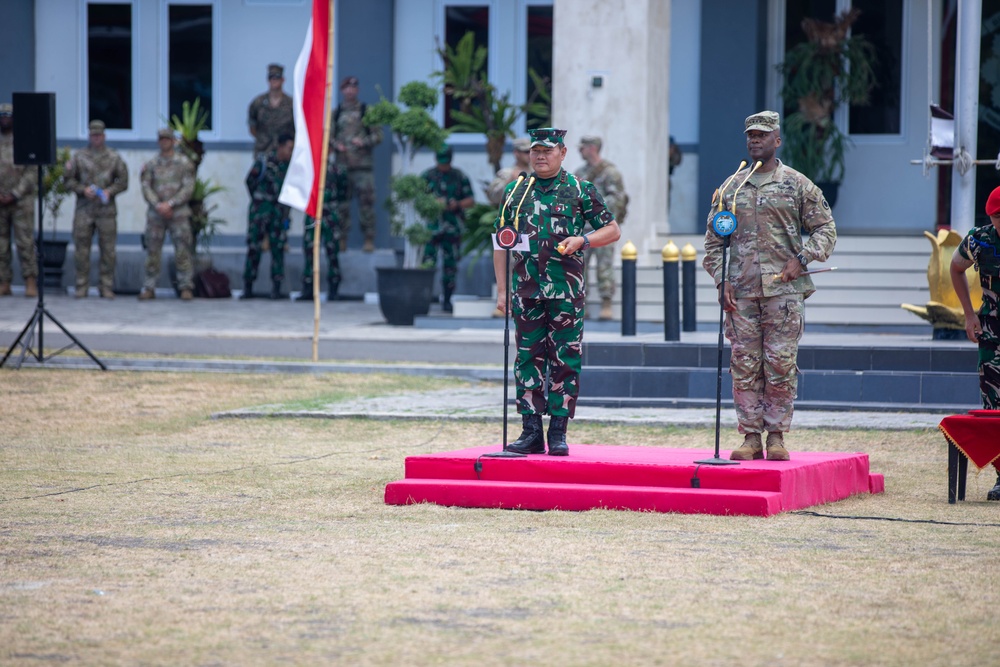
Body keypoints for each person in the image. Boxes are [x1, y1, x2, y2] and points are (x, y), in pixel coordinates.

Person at [703, 110, 837, 461]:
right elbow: (714, 242)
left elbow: (826, 229)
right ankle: (750, 436)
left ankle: (776, 435)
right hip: (741, 292)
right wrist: (721, 280)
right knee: (745, 363)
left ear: (777, 140)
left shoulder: (797, 184)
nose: (755, 141)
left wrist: (803, 258)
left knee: (780, 363)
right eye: (751, 136)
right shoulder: (730, 188)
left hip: (784, 291)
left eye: (762, 135)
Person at [493, 127, 621, 456]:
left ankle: (559, 432)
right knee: (527, 359)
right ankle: (531, 431)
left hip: (566, 292)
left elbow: (612, 229)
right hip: (526, 291)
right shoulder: (517, 191)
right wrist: (502, 291)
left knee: (565, 360)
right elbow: (501, 242)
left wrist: (584, 240)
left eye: (547, 151)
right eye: (535, 150)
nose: (540, 156)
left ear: (562, 154)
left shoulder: (580, 189)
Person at [949, 185, 1000, 501]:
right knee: (993, 407)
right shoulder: (979, 239)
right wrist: (969, 315)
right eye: (997, 216)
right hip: (992, 334)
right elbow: (955, 268)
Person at [64, 120, 129, 299]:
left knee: (108, 251)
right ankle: (81, 286)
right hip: (84, 210)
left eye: (99, 135)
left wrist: (110, 191)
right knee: (81, 250)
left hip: (106, 211)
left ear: (104, 136)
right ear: (89, 136)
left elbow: (123, 182)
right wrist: (82, 190)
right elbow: (68, 180)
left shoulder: (113, 157)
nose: (96, 138)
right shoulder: (79, 156)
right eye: (93, 135)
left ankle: (106, 286)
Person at [138, 128, 196, 301]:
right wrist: (158, 205)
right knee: (153, 252)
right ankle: (149, 287)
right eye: (161, 139)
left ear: (173, 141)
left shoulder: (184, 163)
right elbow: (146, 187)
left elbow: (188, 187)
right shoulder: (151, 164)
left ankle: (185, 286)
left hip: (178, 214)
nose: (164, 142)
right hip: (156, 215)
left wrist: (171, 204)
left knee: (183, 251)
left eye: (167, 139)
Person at [576, 135, 628, 321]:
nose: (579, 150)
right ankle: (581, 302)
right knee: (579, 265)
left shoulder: (610, 172)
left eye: (583, 147)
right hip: (582, 229)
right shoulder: (579, 172)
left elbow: (617, 198)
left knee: (604, 264)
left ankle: (606, 301)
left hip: (602, 227)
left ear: (592, 148)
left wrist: (594, 208)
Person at [332, 75, 383, 253]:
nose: (350, 91)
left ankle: (369, 239)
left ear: (358, 90)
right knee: (341, 205)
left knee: (367, 204)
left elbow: (378, 136)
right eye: (347, 88)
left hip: (363, 168)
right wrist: (335, 145)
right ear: (342, 90)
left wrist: (364, 141)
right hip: (342, 167)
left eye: (354, 87)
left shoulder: (366, 111)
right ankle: (341, 238)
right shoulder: (336, 113)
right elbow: (327, 137)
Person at [421, 144, 474, 313]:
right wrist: (432, 204)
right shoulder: (427, 176)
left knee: (450, 266)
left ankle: (447, 299)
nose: (443, 165)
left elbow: (471, 200)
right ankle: (424, 298)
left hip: (452, 228)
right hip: (431, 228)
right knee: (427, 263)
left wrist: (457, 204)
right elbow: (417, 198)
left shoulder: (459, 176)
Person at [242, 134, 293, 300]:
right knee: (254, 248)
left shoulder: (290, 167)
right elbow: (249, 181)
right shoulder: (264, 162)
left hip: (278, 213)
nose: (290, 152)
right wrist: (259, 199)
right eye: (289, 148)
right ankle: (248, 286)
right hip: (260, 211)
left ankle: (277, 288)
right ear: (280, 146)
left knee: (278, 249)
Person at [297, 153, 348, 301]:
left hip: (330, 213)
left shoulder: (337, 170)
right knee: (309, 250)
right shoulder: (309, 168)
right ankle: (308, 287)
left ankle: (334, 288)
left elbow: (344, 193)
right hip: (313, 212)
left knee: (332, 251)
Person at [0, 102, 38, 298]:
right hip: (0, 201)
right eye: (2, 115)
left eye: (9, 115)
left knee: (25, 242)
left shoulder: (25, 140)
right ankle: (4, 282)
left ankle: (30, 281)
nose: (5, 118)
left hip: (21, 201)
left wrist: (15, 193)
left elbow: (32, 171)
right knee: (1, 244)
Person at [247, 63, 294, 158]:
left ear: (282, 79)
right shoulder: (258, 103)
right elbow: (252, 127)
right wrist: (263, 139)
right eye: (271, 77)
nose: (274, 80)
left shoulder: (291, 104)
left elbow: (297, 128)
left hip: (284, 155)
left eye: (277, 77)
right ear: (268, 80)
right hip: (263, 151)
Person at [486, 138, 531, 207]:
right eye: (526, 152)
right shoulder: (506, 173)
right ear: (516, 153)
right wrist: (510, 180)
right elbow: (493, 198)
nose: (530, 154)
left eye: (532, 151)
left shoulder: (538, 172)